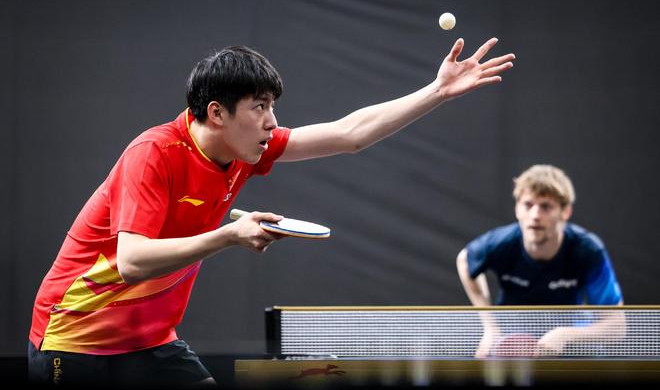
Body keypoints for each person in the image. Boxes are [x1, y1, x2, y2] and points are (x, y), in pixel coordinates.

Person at [29, 38, 514, 387]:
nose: (272, 121)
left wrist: (436, 91)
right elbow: (133, 262)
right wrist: (229, 235)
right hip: (75, 336)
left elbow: (350, 134)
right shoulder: (154, 154)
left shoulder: (247, 152)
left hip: (149, 340)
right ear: (217, 113)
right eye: (260, 107)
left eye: (273, 106)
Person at [456, 164, 625, 358]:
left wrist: (566, 335)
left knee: (594, 356)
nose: (535, 215)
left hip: (569, 329)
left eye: (546, 207)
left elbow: (617, 326)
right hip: (512, 332)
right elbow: (464, 260)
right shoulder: (501, 243)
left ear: (565, 212)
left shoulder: (588, 250)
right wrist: (490, 328)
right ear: (517, 209)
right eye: (528, 205)